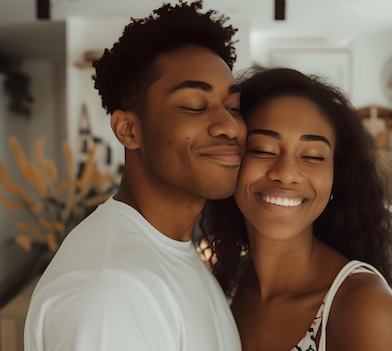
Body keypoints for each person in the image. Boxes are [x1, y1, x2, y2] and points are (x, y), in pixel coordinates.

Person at [24, 1, 245, 350]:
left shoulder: (168, 251)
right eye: (193, 105)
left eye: (233, 107)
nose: (229, 126)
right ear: (128, 129)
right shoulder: (111, 292)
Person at [198, 67, 392, 351]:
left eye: (312, 156)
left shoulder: (364, 307)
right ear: (231, 162)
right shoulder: (227, 284)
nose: (286, 174)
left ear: (337, 178)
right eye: (263, 149)